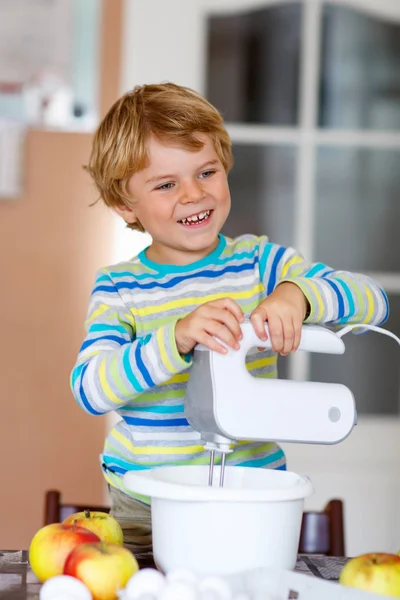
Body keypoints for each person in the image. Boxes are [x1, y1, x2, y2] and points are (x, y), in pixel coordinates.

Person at [70, 82, 389, 552]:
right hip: (146, 500)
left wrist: (295, 295)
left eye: (206, 172)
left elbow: (372, 299)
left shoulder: (260, 264)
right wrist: (174, 338)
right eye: (166, 184)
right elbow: (90, 388)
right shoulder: (119, 288)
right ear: (124, 203)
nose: (193, 194)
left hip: (252, 492)